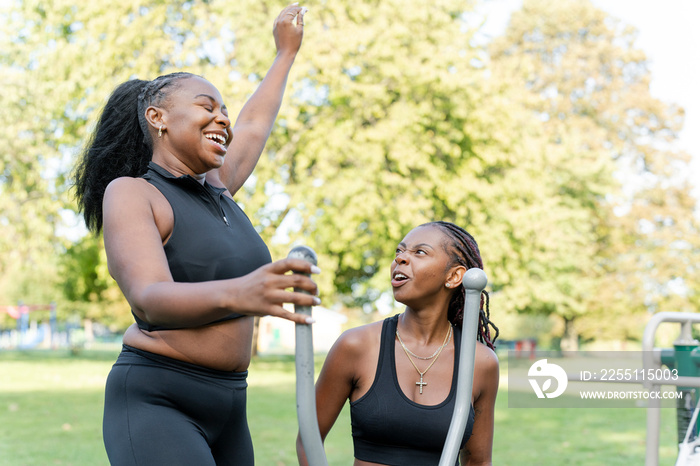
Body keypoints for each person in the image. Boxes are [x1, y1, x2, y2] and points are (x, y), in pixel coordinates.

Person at [73, 5, 312, 465]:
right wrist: (244, 292)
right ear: (158, 117)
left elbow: (256, 123)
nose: (223, 118)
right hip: (158, 398)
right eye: (207, 107)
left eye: (224, 110)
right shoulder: (134, 193)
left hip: (230, 404)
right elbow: (148, 298)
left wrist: (285, 53)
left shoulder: (220, 189)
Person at [297, 221, 500, 466]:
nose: (401, 259)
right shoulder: (356, 346)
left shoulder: (481, 362)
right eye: (399, 251)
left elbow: (477, 462)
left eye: (420, 252)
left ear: (454, 276)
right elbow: (309, 439)